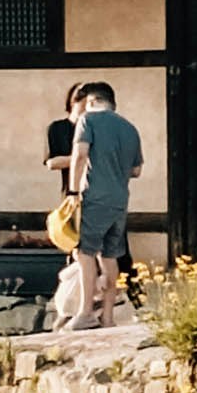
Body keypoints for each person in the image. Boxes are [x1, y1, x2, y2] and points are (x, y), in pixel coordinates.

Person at [69, 73, 144, 296]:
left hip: (95, 195)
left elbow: (80, 155)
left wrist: (73, 191)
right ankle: (108, 316)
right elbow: (136, 170)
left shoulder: (88, 120)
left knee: (85, 253)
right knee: (110, 255)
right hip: (120, 198)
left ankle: (85, 311)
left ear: (92, 102)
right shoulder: (130, 128)